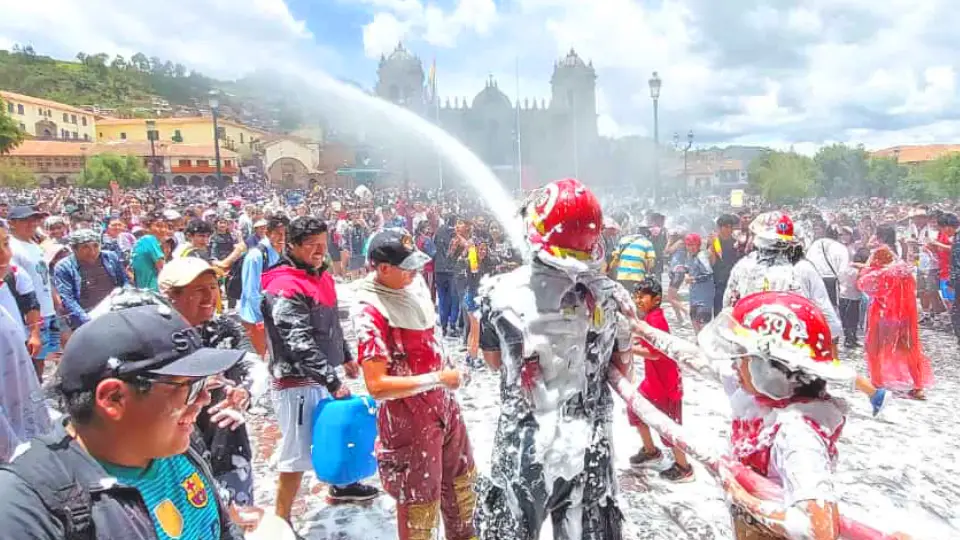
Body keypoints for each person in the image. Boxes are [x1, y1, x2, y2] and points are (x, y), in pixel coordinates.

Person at [0, 304, 245, 539]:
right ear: (113, 398)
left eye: (204, 382)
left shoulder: (176, 446)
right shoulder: (28, 509)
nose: (204, 398)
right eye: (190, 387)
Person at [475, 178, 633, 539]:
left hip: (524, 441)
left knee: (510, 529)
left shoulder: (498, 294)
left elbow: (493, 360)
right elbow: (623, 369)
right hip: (590, 443)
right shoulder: (612, 297)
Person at [632, 292, 860, 540]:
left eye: (742, 358)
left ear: (772, 369)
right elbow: (695, 358)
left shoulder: (797, 433)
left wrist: (744, 498)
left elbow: (818, 530)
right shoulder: (758, 394)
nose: (733, 366)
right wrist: (642, 329)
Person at [353, 228, 475, 540]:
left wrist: (447, 369)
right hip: (408, 417)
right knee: (419, 502)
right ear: (383, 269)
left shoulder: (412, 287)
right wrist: (436, 379)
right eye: (407, 268)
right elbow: (376, 384)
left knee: (460, 486)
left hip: (444, 405)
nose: (415, 273)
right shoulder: (371, 309)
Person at [261, 216, 377, 525]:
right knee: (296, 451)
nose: (318, 251)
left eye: (323, 245)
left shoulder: (320, 275)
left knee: (337, 431)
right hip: (295, 381)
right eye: (311, 245)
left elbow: (331, 324)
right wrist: (331, 379)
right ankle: (281, 519)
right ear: (293, 245)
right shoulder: (284, 284)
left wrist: (346, 355)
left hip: (325, 373)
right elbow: (297, 340)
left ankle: (342, 484)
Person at [159, 257, 259, 508]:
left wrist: (244, 393)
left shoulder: (224, 328)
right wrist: (193, 381)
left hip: (227, 444)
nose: (209, 296)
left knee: (238, 519)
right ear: (170, 295)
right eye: (198, 290)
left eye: (213, 287)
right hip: (172, 455)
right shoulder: (154, 338)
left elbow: (254, 365)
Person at [626, 277, 693, 482]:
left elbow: (655, 353)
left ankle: (684, 467)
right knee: (634, 408)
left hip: (666, 384)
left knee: (669, 426)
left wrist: (628, 349)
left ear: (656, 299)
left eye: (642, 296)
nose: (638, 300)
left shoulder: (656, 320)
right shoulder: (650, 318)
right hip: (653, 381)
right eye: (636, 296)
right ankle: (650, 451)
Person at [858, 225, 934, 400]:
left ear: (879, 236)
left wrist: (862, 272)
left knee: (874, 346)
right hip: (902, 310)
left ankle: (877, 383)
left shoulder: (880, 252)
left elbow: (868, 280)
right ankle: (918, 386)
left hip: (884, 309)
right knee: (907, 348)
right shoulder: (896, 253)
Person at [8, 205, 60, 379]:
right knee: (33, 359)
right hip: (32, 315)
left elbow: (42, 274)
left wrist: (53, 296)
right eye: (26, 220)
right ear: (12, 223)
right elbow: (15, 284)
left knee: (44, 357)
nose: (32, 223)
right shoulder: (12, 248)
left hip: (48, 310)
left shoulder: (33, 244)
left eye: (35, 219)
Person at [53, 229, 128, 330]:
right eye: (85, 247)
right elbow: (67, 298)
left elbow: (124, 283)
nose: (92, 251)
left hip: (115, 311)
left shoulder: (110, 257)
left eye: (96, 246)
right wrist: (88, 321)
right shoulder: (64, 267)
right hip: (85, 317)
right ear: (74, 249)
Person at [238, 215, 287, 357]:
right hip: (255, 318)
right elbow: (250, 291)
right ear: (268, 233)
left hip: (274, 314)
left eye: (285, 234)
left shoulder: (281, 252)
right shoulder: (256, 256)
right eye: (278, 234)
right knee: (257, 359)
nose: (282, 238)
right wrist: (262, 317)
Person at [130, 211, 170, 292]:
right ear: (147, 228)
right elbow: (162, 269)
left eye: (166, 226)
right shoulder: (149, 239)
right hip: (153, 291)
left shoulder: (141, 242)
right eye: (158, 226)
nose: (163, 230)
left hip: (143, 291)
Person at [710, 213, 741, 315]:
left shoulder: (735, 243)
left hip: (732, 281)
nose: (729, 230)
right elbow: (712, 262)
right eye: (726, 227)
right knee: (718, 311)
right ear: (719, 227)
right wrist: (712, 247)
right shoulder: (714, 241)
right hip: (718, 281)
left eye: (731, 227)